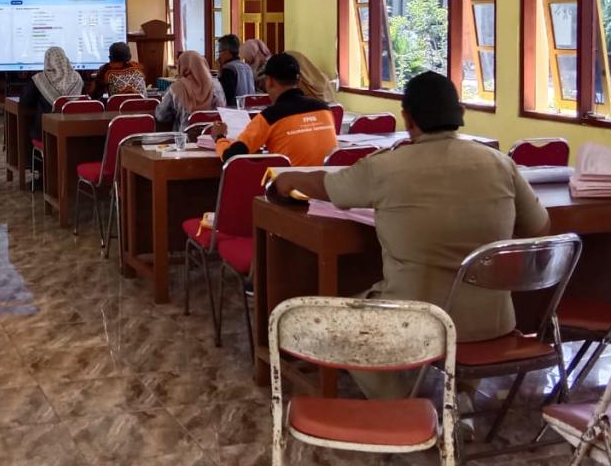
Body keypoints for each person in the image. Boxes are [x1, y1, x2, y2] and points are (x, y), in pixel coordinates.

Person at [271, 72, 549, 397]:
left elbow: (327, 186)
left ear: (407, 118)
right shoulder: (501, 164)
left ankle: (402, 405)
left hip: (415, 323)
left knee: (339, 327)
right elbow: (539, 229)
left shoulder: (385, 167)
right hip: (494, 323)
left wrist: (288, 180)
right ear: (460, 112)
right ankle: (462, 399)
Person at [210, 52, 338, 166]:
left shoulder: (270, 117)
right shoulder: (324, 109)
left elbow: (231, 156)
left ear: (269, 81)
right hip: (328, 183)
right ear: (298, 80)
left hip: (292, 184)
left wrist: (219, 137)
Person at [17, 46, 84, 141]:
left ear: (48, 61)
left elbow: (25, 101)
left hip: (46, 135)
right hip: (74, 133)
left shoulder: (41, 79)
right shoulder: (77, 78)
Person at [155, 50, 226, 132]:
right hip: (214, 135)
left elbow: (161, 115)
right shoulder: (216, 86)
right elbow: (223, 111)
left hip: (185, 137)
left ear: (182, 66)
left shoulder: (177, 87)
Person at [216, 34, 256, 106]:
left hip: (234, 110)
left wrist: (220, 73)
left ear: (227, 52)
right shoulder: (247, 67)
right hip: (250, 109)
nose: (219, 56)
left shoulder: (229, 68)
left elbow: (224, 95)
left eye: (219, 51)